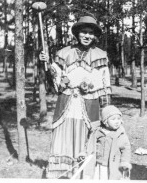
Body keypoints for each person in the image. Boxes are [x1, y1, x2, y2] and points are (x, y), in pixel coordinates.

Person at [39, 15, 112, 179]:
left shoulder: (100, 55)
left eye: (91, 33)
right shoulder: (65, 53)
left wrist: (107, 109)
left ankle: (82, 173)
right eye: (83, 32)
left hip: (89, 104)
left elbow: (105, 83)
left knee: (86, 136)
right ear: (77, 33)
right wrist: (47, 63)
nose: (87, 36)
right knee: (64, 135)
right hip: (67, 104)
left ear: (94, 35)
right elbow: (57, 79)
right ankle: (64, 173)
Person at [78, 105, 131, 180]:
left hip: (112, 166)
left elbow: (126, 150)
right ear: (105, 121)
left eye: (118, 119)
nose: (117, 121)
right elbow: (89, 144)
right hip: (97, 165)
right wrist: (85, 153)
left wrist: (124, 162)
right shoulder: (97, 132)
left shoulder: (120, 135)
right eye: (113, 119)